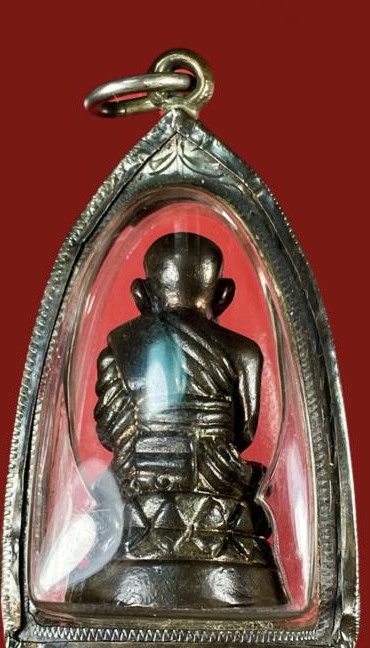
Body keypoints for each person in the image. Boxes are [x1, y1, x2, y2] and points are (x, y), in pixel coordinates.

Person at [66, 232, 286, 608]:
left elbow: (109, 431)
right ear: (223, 295)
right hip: (215, 485)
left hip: (140, 485)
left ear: (141, 294)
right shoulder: (244, 352)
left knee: (106, 491)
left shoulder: (118, 346)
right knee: (252, 489)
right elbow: (244, 433)